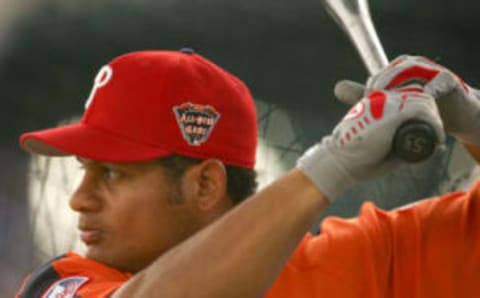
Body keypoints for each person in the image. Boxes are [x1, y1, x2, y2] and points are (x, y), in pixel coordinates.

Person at [14, 50, 478, 298]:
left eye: (111, 174)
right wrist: (330, 164)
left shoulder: (364, 261)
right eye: (84, 170)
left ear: (206, 184)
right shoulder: (62, 284)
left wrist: (474, 123)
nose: (79, 198)